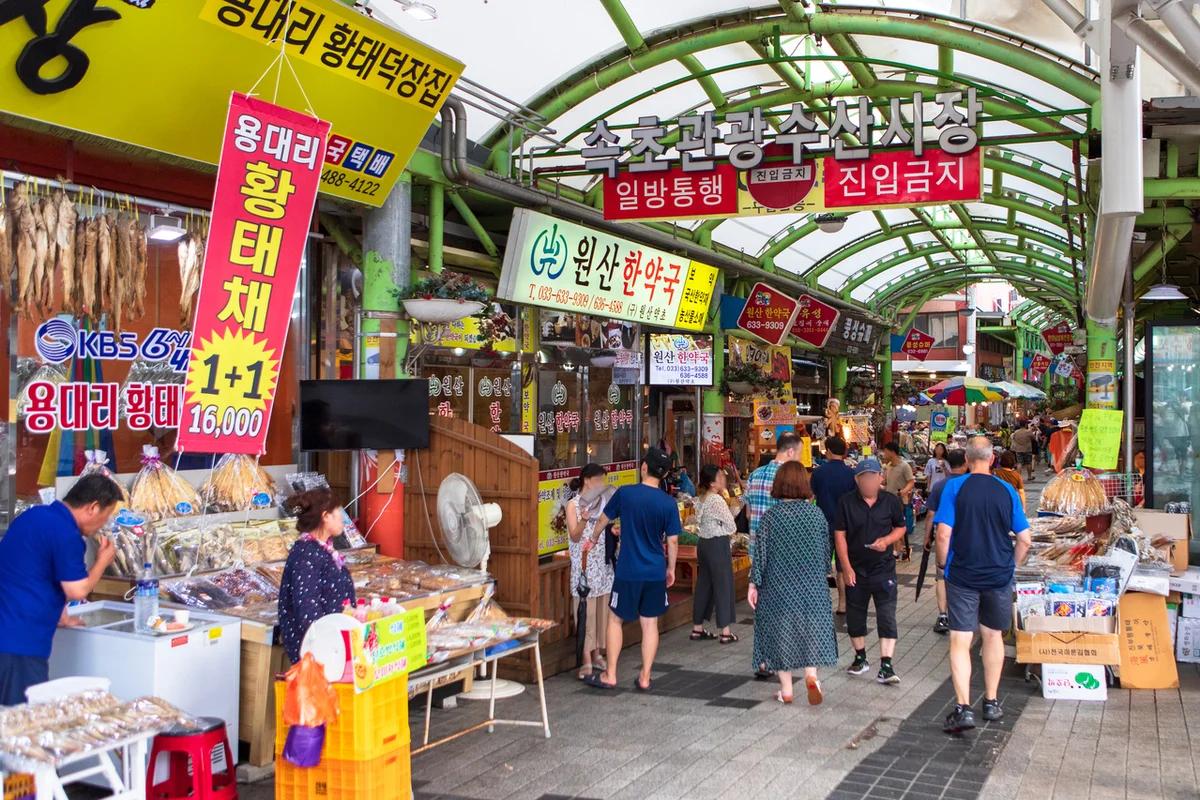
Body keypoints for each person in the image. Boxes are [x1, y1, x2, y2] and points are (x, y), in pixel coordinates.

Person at [935, 437, 1032, 733]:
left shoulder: (954, 487)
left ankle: (963, 708)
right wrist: (1011, 565)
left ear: (966, 458)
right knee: (993, 638)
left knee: (960, 641)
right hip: (998, 575)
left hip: (963, 574)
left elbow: (942, 534)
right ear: (991, 459)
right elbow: (1025, 539)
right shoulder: (1006, 489)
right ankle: (991, 702)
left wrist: (942, 564)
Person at [0, 474, 122, 705]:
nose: (102, 526)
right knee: (25, 725)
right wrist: (102, 562)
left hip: (7, 633)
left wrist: (59, 612)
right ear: (93, 508)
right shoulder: (67, 534)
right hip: (19, 644)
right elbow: (78, 590)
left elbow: (32, 573)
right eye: (105, 518)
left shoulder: (34, 516)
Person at [585, 448, 680, 692]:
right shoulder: (669, 503)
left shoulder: (626, 494)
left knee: (615, 619)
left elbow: (604, 519)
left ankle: (611, 674)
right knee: (650, 624)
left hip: (628, 570)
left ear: (644, 467)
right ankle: (645, 677)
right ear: (666, 473)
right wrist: (671, 569)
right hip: (655, 571)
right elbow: (672, 541)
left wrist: (593, 539)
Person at [748, 462, 838, 705]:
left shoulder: (771, 517)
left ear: (779, 484)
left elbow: (761, 553)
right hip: (811, 584)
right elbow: (824, 552)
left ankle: (786, 690)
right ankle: (811, 675)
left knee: (781, 632)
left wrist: (753, 584)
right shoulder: (816, 514)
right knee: (810, 630)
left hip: (778, 585)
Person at [834, 458, 907, 686]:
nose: (868, 482)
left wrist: (887, 541)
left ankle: (886, 665)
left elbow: (900, 527)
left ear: (880, 478)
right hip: (856, 568)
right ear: (857, 480)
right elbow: (840, 535)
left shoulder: (890, 501)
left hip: (883, 568)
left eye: (872, 477)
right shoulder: (846, 502)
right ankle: (860, 658)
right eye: (863, 478)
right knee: (855, 615)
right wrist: (845, 567)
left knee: (886, 615)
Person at [279, 488, 356, 664]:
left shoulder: (322, 549)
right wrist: (329, 646)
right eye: (338, 512)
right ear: (325, 516)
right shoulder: (306, 554)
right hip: (320, 653)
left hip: (334, 646)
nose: (343, 518)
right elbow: (307, 611)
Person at [566, 463, 616, 679]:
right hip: (584, 565)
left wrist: (613, 530)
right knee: (586, 612)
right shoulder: (573, 505)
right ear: (587, 480)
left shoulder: (602, 502)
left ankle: (597, 653)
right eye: (599, 480)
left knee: (601, 611)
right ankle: (586, 658)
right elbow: (575, 536)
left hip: (602, 564)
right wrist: (584, 518)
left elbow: (606, 528)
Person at [691, 466, 741, 644]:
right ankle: (725, 631)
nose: (723, 479)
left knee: (704, 584)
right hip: (717, 544)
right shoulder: (716, 500)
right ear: (712, 483)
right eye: (720, 477)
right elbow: (731, 526)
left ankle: (697, 628)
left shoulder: (701, 499)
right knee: (723, 586)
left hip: (703, 544)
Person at [811, 436, 857, 615]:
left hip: (823, 525)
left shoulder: (819, 473)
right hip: (845, 527)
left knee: (821, 566)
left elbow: (811, 497)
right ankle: (842, 604)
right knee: (842, 565)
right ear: (844, 452)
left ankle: (821, 603)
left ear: (828, 451)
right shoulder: (851, 474)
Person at [924, 449, 967, 634]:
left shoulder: (940, 486)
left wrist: (927, 536)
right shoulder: (969, 483)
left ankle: (943, 615)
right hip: (965, 536)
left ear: (948, 464)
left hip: (943, 536)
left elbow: (931, 514)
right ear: (966, 464)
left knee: (941, 575)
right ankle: (963, 612)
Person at [745, 432, 803, 555]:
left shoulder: (754, 474)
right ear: (791, 452)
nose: (800, 459)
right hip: (781, 550)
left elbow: (748, 514)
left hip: (756, 548)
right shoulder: (791, 478)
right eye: (799, 454)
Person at [881, 441, 915, 560]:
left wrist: (903, 491)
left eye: (885, 451)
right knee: (891, 526)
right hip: (888, 500)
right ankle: (899, 549)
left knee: (898, 526)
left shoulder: (904, 466)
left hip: (899, 501)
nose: (884, 454)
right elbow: (885, 482)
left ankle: (900, 549)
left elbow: (911, 481)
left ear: (892, 452)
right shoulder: (888, 466)